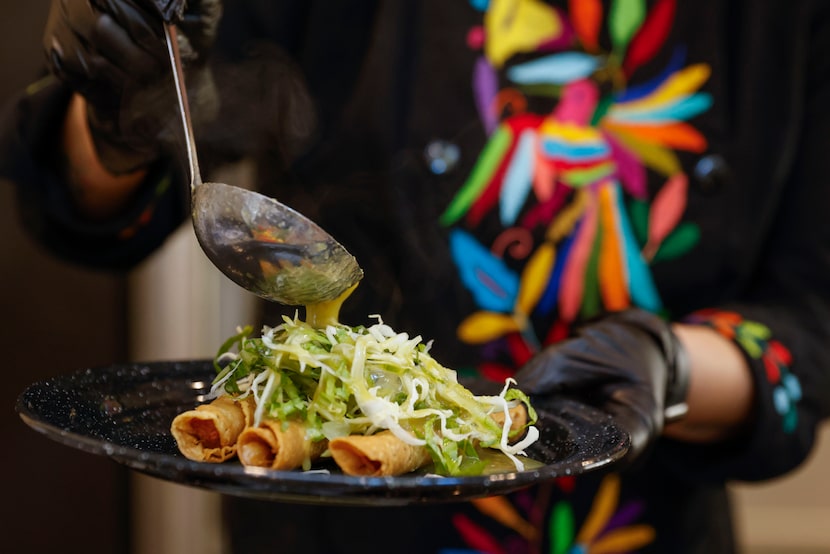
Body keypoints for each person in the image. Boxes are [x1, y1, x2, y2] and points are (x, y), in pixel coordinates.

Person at [3, 0, 830, 552]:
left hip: (644, 526)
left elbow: (810, 323)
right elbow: (93, 211)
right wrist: (117, 117)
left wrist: (673, 361)